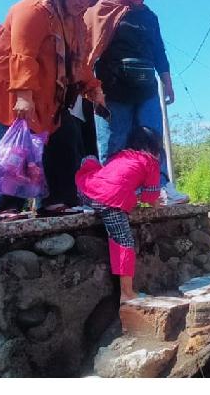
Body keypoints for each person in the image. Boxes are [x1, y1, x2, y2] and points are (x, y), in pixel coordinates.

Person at [0, 0, 108, 222]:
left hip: (42, 90)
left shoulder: (75, 22)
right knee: (19, 145)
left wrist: (93, 88)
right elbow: (23, 54)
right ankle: (3, 209)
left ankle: (56, 202)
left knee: (66, 136)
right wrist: (23, 96)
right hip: (8, 85)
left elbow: (79, 62)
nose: (84, 0)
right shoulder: (33, 8)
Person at [84, 0, 189, 205]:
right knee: (114, 140)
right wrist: (90, 85)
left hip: (146, 89)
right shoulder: (102, 10)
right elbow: (86, 48)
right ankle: (111, 192)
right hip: (112, 88)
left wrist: (168, 82)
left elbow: (159, 51)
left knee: (151, 138)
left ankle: (160, 188)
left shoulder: (149, 17)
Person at [75, 126, 162, 302]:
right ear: (155, 148)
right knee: (124, 242)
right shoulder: (151, 162)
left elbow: (118, 180)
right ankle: (127, 293)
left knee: (91, 161)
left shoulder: (121, 155)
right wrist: (157, 202)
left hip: (87, 191)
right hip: (109, 201)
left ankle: (87, 206)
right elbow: (150, 197)